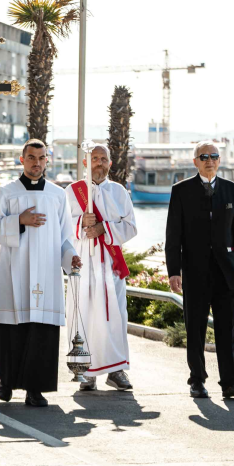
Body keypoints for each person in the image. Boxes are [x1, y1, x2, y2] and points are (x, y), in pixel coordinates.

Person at [0, 139, 79, 407]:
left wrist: (70, 256)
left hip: (47, 274)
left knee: (41, 332)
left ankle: (34, 389)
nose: (36, 163)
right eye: (31, 157)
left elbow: (65, 236)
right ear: (21, 159)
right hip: (13, 271)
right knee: (11, 331)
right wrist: (19, 221)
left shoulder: (57, 195)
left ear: (47, 160)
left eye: (41, 158)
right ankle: (6, 380)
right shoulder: (5, 193)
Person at [165, 141, 234, 400]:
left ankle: (230, 383)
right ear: (195, 162)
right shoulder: (181, 191)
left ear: (219, 160)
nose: (209, 160)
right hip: (195, 272)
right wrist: (174, 271)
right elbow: (173, 235)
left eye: (214, 156)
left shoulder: (231, 190)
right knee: (196, 329)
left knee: (227, 329)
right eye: (204, 156)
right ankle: (197, 381)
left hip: (227, 274)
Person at [66, 145, 137, 392]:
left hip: (110, 263)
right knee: (82, 313)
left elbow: (130, 226)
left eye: (103, 159)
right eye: (94, 158)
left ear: (110, 163)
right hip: (82, 261)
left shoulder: (119, 192)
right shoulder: (72, 193)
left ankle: (115, 370)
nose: (99, 163)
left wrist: (103, 229)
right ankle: (85, 371)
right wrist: (79, 224)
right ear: (86, 163)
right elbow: (60, 227)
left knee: (114, 315)